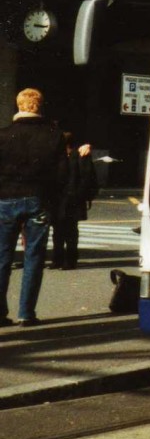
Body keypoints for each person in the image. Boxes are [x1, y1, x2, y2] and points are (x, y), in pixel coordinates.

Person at [0, 88, 68, 326]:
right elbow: (61, 176)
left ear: (18, 105)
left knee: (2, 258)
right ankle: (26, 313)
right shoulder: (54, 136)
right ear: (39, 106)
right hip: (38, 200)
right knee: (34, 257)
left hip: (5, 200)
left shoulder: (3, 135)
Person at [51, 134, 96, 271]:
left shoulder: (79, 155)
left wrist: (80, 196)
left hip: (71, 199)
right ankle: (59, 260)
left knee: (69, 231)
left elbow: (87, 178)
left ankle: (69, 260)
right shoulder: (59, 156)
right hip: (61, 199)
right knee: (59, 231)